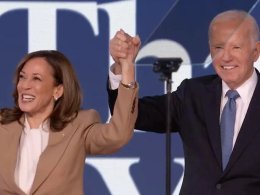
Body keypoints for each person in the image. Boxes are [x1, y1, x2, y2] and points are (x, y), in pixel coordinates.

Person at [107, 10, 260, 194]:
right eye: (218, 47)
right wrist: (123, 67)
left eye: (236, 47)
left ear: (256, 51)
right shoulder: (193, 94)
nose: (226, 57)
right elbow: (133, 115)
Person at [0, 50, 138, 195]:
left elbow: (118, 135)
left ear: (58, 91)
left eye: (36, 79)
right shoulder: (3, 124)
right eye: (22, 77)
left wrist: (127, 67)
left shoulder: (79, 126)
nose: (24, 86)